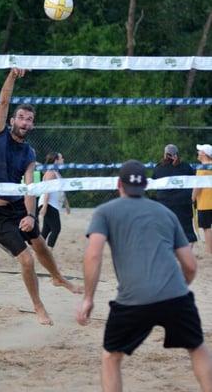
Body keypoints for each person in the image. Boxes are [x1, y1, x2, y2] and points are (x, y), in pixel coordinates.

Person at [77, 160, 212, 392]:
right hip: (176, 296)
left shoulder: (105, 211)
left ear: (119, 184)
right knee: (197, 347)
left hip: (133, 300)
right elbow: (190, 265)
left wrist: (88, 298)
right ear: (147, 185)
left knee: (111, 357)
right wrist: (178, 288)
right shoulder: (165, 213)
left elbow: (93, 256)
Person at [0, 68, 82, 325]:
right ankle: (38, 306)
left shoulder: (29, 154)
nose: (24, 122)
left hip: (17, 208)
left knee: (41, 245)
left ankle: (57, 277)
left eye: (29, 119)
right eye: (21, 117)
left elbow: (30, 188)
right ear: (12, 120)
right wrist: (12, 75)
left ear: (33, 124)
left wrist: (31, 216)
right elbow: (3, 101)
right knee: (25, 258)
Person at [152, 144, 197, 246]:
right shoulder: (186, 166)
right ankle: (186, 254)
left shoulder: (159, 168)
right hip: (183, 204)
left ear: (165, 155)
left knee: (166, 230)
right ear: (177, 154)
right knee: (188, 233)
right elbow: (193, 181)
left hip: (165, 204)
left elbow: (154, 183)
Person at [38, 152, 71, 249]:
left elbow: (61, 191)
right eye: (61, 158)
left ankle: (38, 250)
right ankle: (48, 251)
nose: (63, 159)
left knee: (46, 230)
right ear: (56, 160)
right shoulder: (51, 172)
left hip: (52, 205)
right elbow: (47, 190)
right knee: (56, 229)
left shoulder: (56, 173)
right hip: (48, 204)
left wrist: (67, 205)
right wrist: (45, 206)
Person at [192, 143, 212, 254]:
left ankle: (209, 252)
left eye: (199, 151)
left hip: (205, 203)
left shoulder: (202, 168)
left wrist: (192, 198)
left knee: (206, 227)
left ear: (204, 154)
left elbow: (198, 186)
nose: (198, 153)